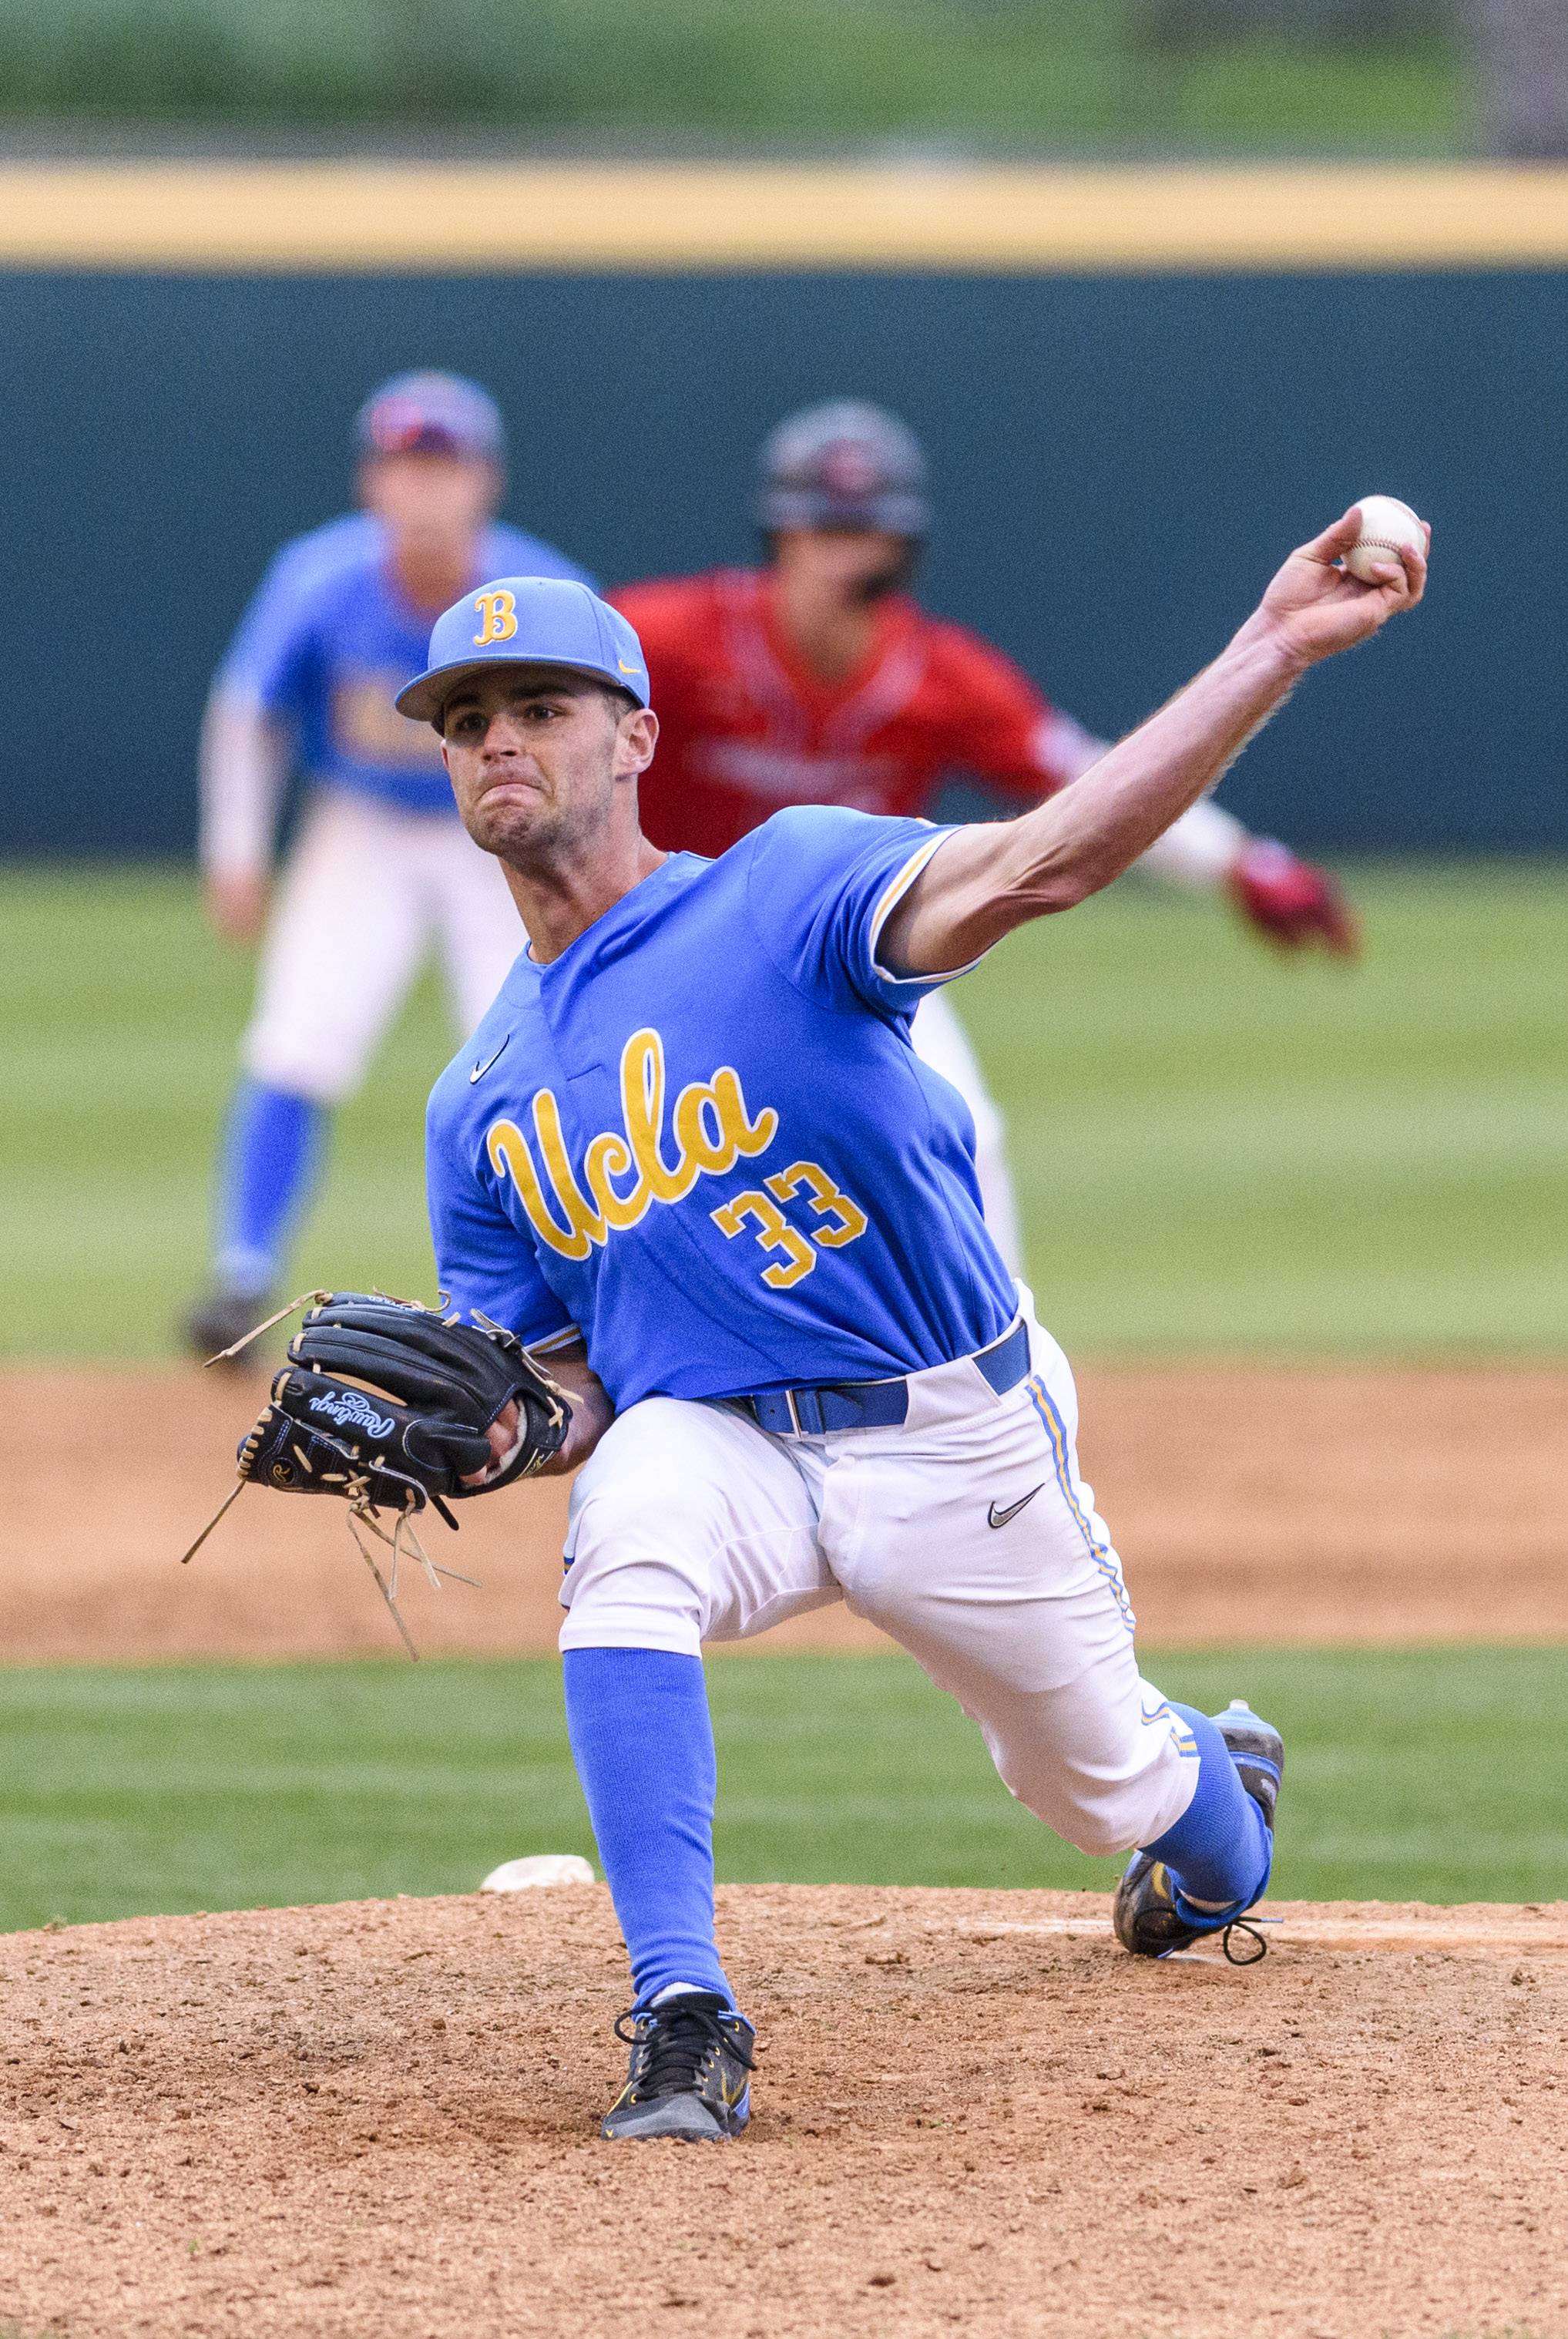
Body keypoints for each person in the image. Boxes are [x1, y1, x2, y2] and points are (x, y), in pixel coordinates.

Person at [398, 506, 1424, 2142]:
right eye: (464, 719)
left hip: (952, 1434)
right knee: (627, 1540)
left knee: (1111, 1792)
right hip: (719, 1434)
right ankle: (684, 2011)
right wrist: (504, 1425)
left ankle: (1220, 1785)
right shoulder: (479, 1095)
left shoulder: (792, 889)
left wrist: (1274, 644)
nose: (496, 741)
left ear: (638, 735)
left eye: (538, 708)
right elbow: (555, 1375)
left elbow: (1050, 854)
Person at [612, 401, 1358, 1269]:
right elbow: (543, 687)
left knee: (966, 1136)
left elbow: (1091, 780)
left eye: (863, 530)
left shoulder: (939, 674)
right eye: (819, 527)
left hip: (845, 948)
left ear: (900, 547)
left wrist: (1240, 862)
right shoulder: (668, 638)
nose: (839, 551)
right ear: (778, 533)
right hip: (680, 944)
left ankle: (1004, 1375)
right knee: (648, 1176)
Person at [184, 370, 591, 1359]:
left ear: (484, 482)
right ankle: (242, 1273)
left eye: (444, 467)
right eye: (407, 466)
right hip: (361, 824)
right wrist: (236, 849)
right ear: (373, 482)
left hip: (496, 840)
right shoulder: (319, 577)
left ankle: (571, 1294)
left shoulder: (537, 592)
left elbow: (599, 734)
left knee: (534, 1062)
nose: (425, 490)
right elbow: (248, 713)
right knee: (297, 1039)